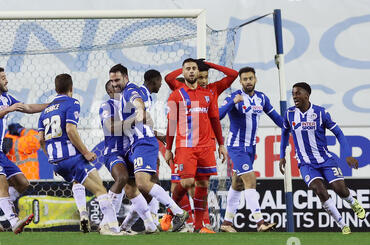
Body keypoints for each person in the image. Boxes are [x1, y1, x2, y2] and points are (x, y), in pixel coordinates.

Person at [38, 73, 124, 236]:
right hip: (72, 157)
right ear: (71, 88)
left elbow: (41, 139)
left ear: (56, 89)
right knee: (100, 190)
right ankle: (112, 228)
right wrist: (85, 152)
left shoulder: (45, 111)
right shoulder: (72, 103)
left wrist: (52, 160)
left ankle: (83, 213)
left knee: (78, 180)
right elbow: (71, 130)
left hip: (56, 161)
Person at [109, 64, 189, 232]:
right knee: (141, 187)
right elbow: (140, 120)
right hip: (137, 144)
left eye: (117, 80)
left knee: (143, 184)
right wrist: (156, 132)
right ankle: (133, 225)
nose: (114, 83)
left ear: (126, 77)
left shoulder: (132, 90)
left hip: (143, 143)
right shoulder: (124, 94)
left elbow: (138, 102)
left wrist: (139, 108)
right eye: (112, 81)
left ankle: (177, 213)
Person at [161, 59, 238, 231]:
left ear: (198, 72)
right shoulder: (177, 95)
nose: (191, 71)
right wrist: (168, 149)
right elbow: (171, 123)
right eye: (187, 69)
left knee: (203, 185)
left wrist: (221, 144)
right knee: (187, 182)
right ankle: (170, 212)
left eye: (194, 68)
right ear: (183, 72)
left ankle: (198, 226)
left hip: (205, 147)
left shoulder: (208, 94)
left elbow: (214, 120)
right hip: (185, 146)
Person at [279, 82, 366, 234]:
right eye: (293, 94)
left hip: (325, 160)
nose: (294, 97)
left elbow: (338, 133)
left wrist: (347, 155)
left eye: (298, 93)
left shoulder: (320, 113)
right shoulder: (289, 114)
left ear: (307, 95)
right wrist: (282, 156)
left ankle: (353, 203)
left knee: (340, 189)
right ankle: (342, 224)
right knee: (319, 190)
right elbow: (285, 133)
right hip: (306, 163)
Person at [0, 67, 48, 234]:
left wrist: (52, 105)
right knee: (2, 185)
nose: (6, 80)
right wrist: (8, 109)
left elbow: (28, 107)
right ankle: (14, 222)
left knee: (23, 183)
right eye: (3, 78)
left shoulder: (6, 97)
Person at [218, 66, 283, 232]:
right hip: (236, 146)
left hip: (251, 147)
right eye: (245, 79)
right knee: (250, 180)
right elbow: (218, 115)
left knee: (238, 183)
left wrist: (290, 128)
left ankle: (226, 223)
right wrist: (233, 102)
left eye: (250, 78)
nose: (248, 81)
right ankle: (260, 223)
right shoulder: (235, 97)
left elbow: (276, 118)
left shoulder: (262, 98)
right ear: (240, 81)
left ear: (255, 79)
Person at [98, 79, 158, 234]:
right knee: (122, 178)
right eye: (113, 86)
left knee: (135, 187)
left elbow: (139, 127)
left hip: (129, 152)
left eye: (118, 85)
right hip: (113, 152)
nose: (117, 87)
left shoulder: (127, 105)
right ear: (109, 91)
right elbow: (111, 127)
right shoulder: (107, 106)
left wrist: (159, 135)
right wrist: (135, 117)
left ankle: (149, 224)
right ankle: (107, 223)